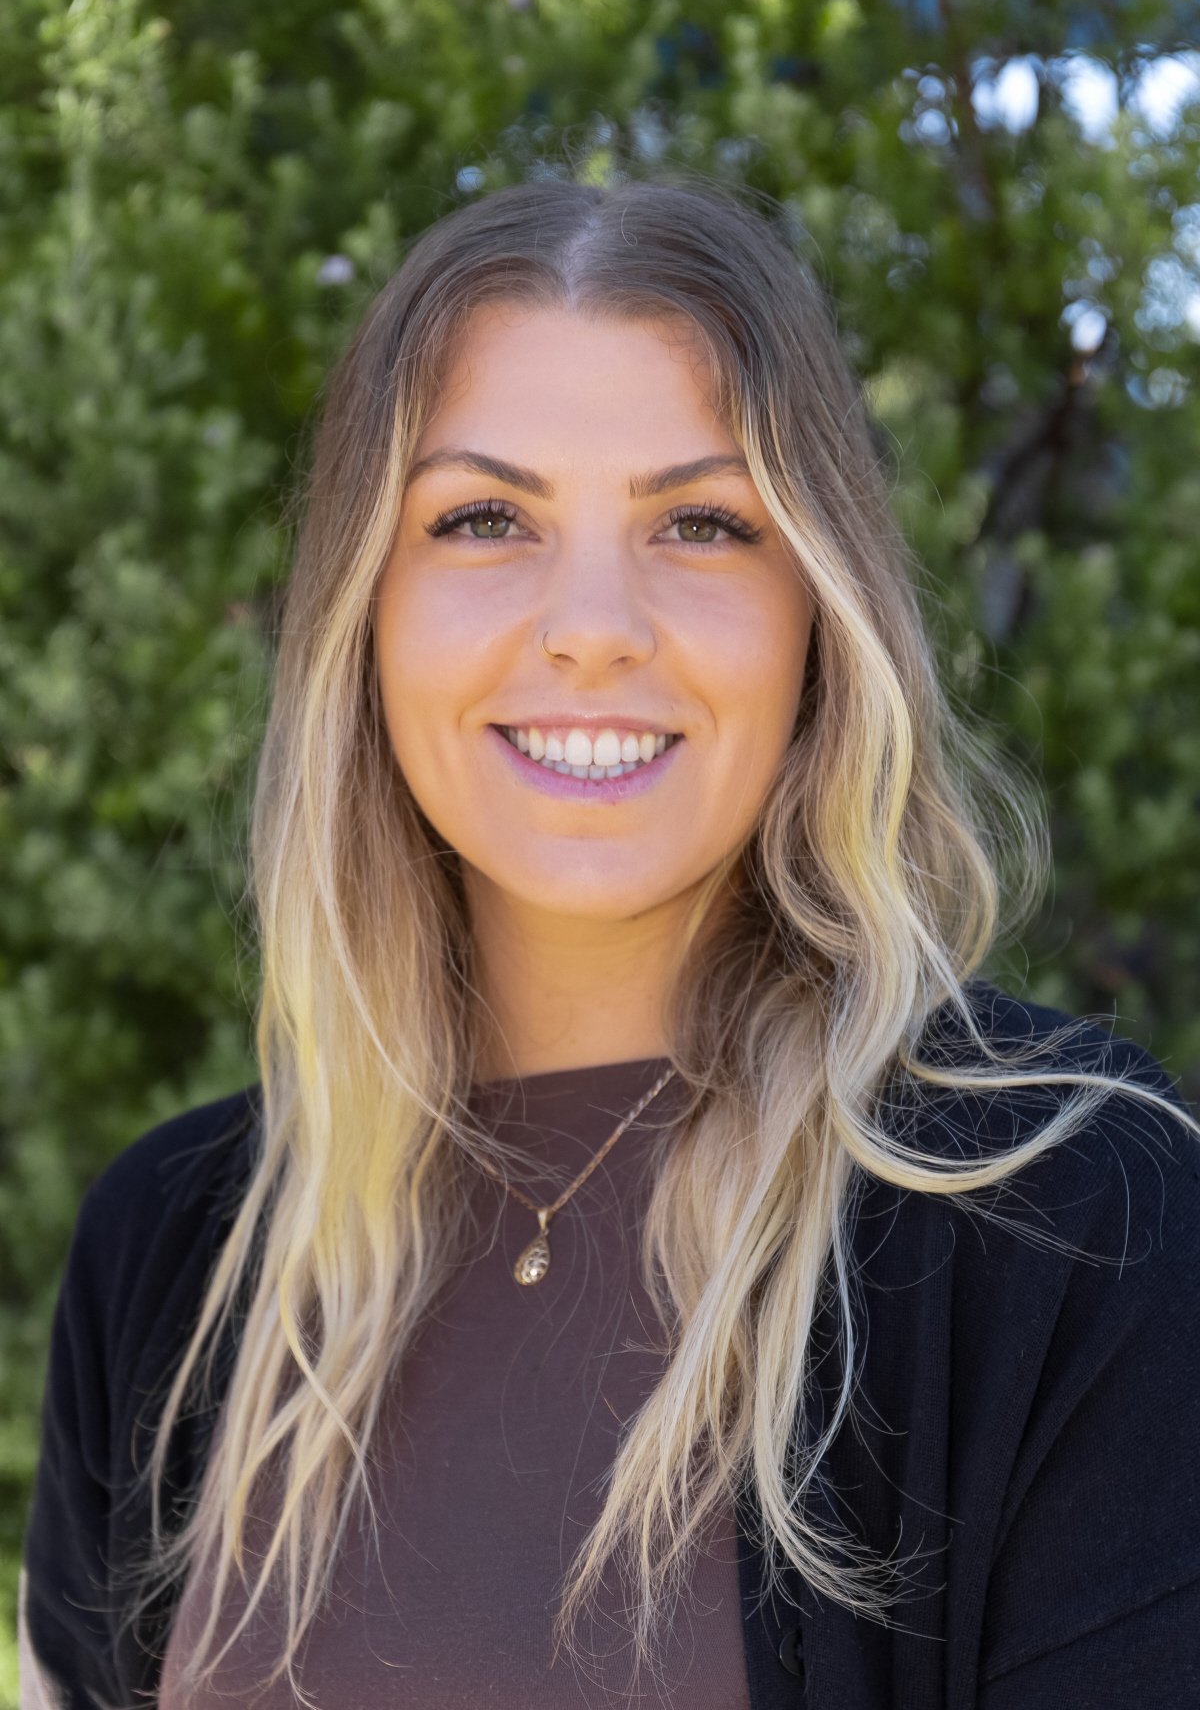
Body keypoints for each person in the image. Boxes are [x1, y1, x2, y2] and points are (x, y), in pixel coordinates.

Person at [20, 175, 1200, 1710]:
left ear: (816, 621)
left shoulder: (1078, 1217)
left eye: (700, 522)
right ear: (363, 613)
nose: (593, 623)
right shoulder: (174, 1246)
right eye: (482, 519)